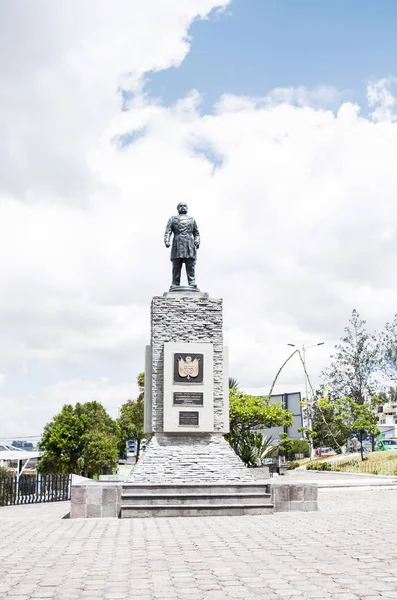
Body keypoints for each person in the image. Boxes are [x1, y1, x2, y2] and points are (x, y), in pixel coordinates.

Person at [164, 202, 200, 289]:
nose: (183, 207)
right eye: (181, 206)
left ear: (187, 208)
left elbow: (196, 233)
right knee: (176, 264)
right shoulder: (172, 219)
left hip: (189, 243)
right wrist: (167, 240)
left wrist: (197, 240)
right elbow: (168, 232)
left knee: (190, 264)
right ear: (178, 208)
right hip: (177, 242)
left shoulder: (192, 220)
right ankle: (175, 283)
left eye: (184, 206)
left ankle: (192, 282)